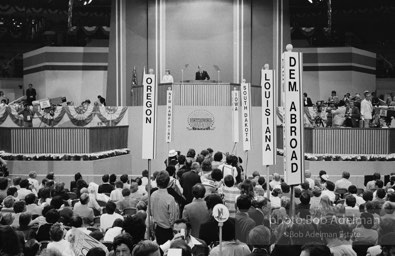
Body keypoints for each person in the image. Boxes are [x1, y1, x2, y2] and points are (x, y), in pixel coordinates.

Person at [150, 170, 178, 245]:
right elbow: (173, 218)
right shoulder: (170, 198)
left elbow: (150, 211)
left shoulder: (153, 195)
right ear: (168, 182)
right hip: (167, 230)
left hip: (157, 228)